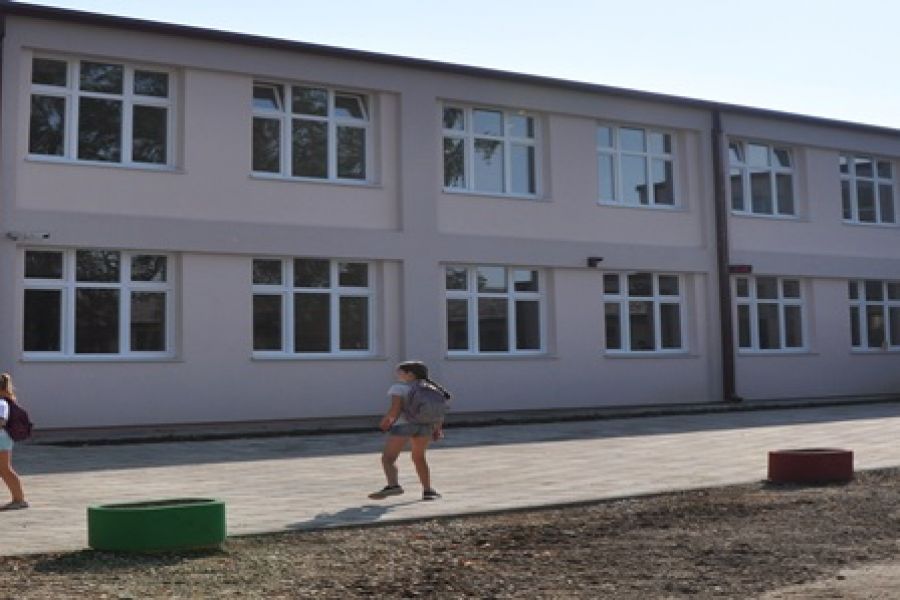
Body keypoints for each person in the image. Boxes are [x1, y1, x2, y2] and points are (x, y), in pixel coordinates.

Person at [369, 361, 451, 501]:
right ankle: (428, 491)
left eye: (400, 371)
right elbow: (438, 411)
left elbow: (395, 410)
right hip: (425, 426)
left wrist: (385, 422)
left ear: (410, 374)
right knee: (419, 458)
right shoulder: (432, 388)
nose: (397, 373)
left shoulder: (398, 388)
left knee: (388, 458)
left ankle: (393, 486)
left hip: (404, 425)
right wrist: (437, 428)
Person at [0, 373, 28, 511]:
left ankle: (19, 500)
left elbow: (2, 421)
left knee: (5, 469)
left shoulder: (2, 403)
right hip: (3, 439)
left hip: (1, 439)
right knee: (4, 469)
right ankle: (19, 499)